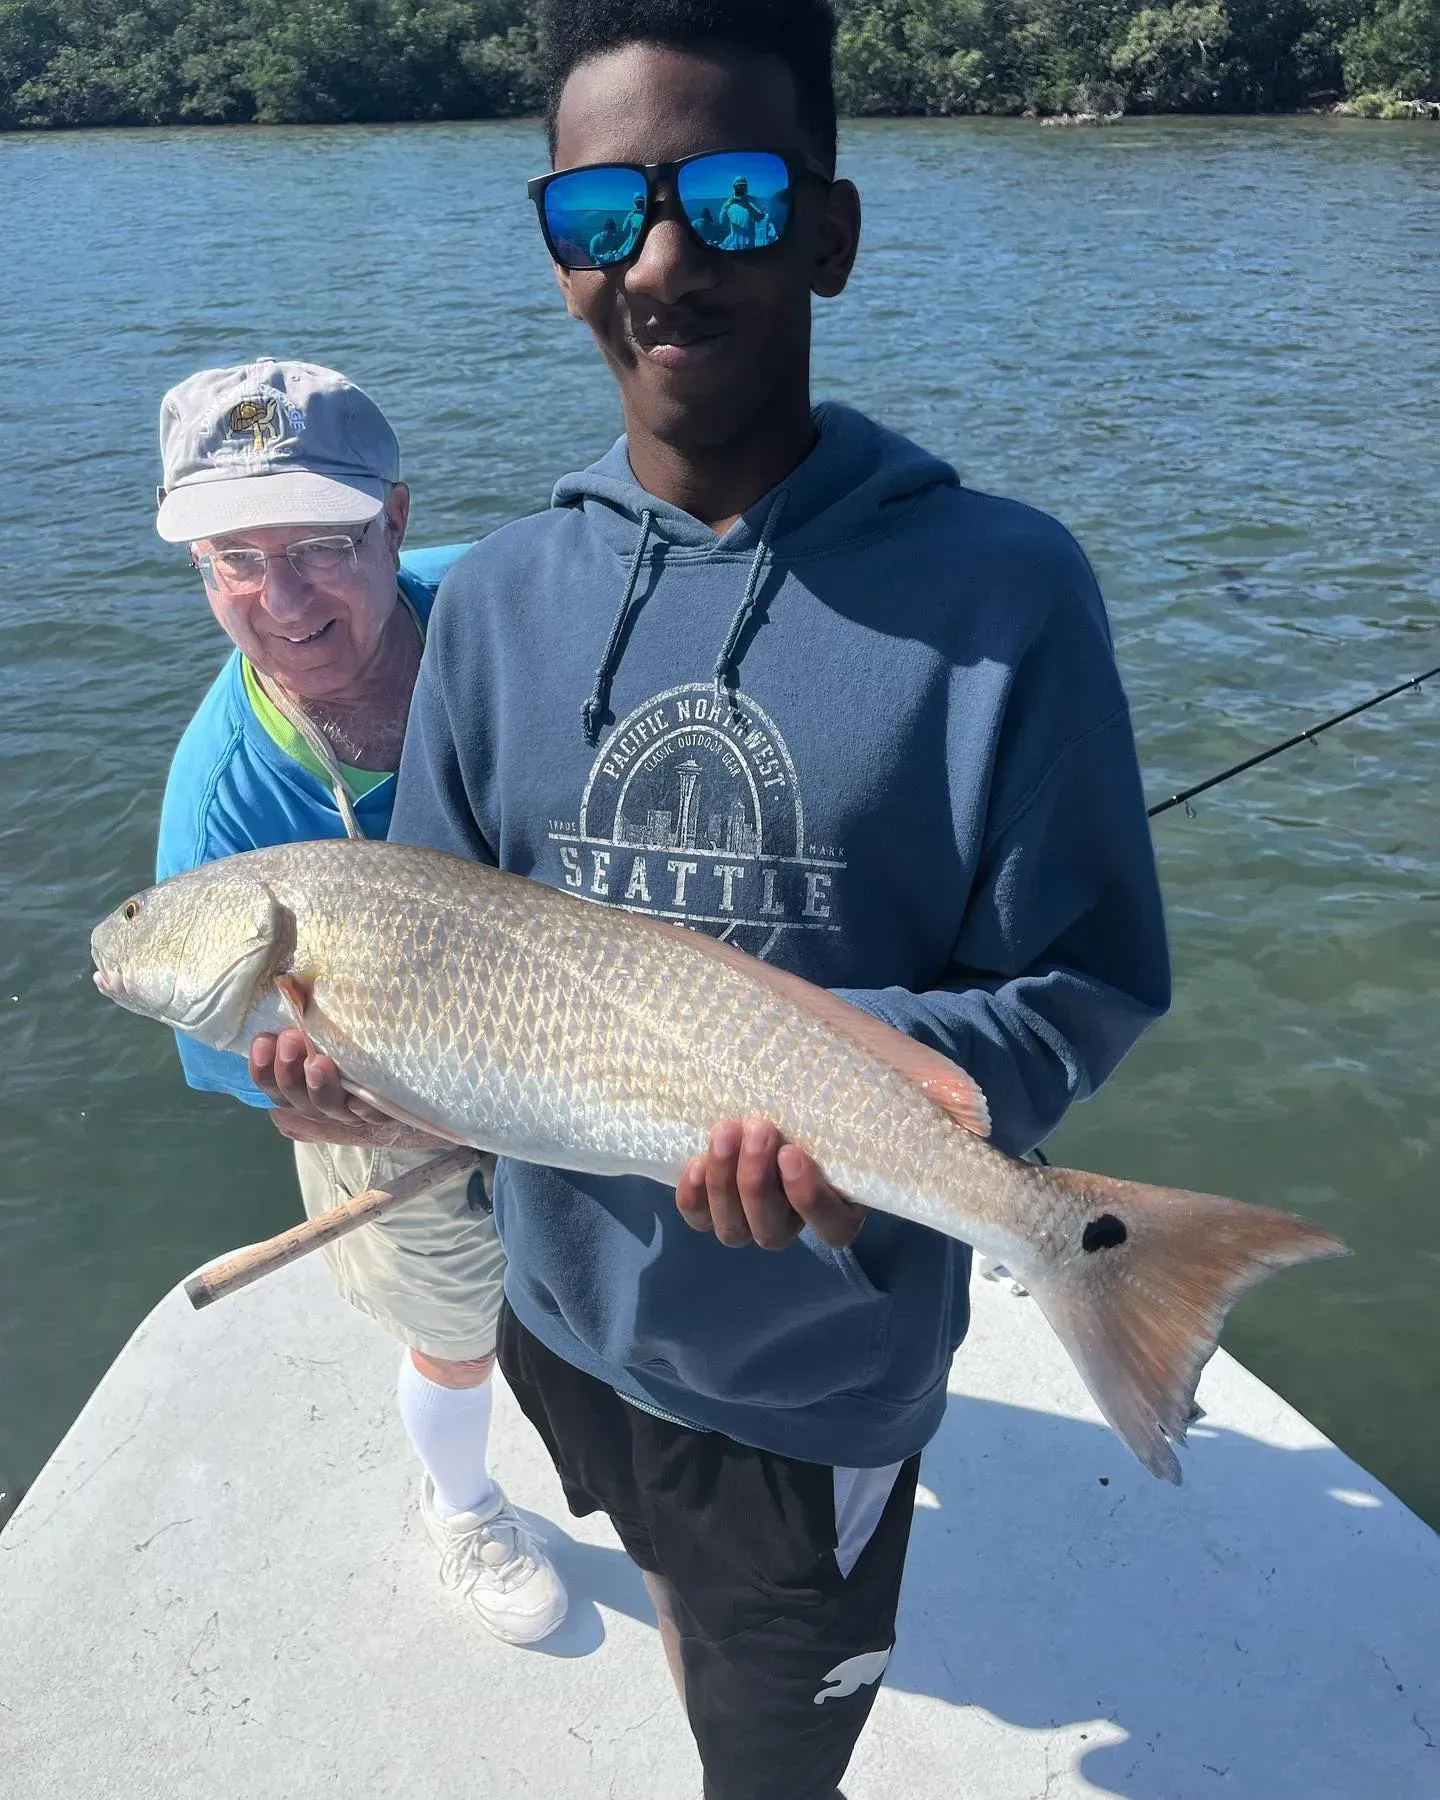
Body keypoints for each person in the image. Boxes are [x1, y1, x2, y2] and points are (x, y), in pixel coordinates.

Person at [258, 3, 1170, 1794]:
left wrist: (833, 1095)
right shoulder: (505, 599)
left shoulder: (1005, 592)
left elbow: (1079, 987)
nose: (662, 260)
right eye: (603, 216)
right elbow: (447, 957)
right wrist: (357, 1077)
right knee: (672, 1585)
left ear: (827, 227)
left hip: (812, 1366)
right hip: (566, 1314)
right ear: (558, 253)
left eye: (730, 198)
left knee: (763, 1750)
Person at [153, 359, 567, 1646]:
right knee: (453, 1323)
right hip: (391, 1107)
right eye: (234, 558)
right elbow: (241, 1069)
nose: (281, 600)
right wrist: (352, 1111)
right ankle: (463, 1505)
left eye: (321, 546)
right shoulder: (221, 807)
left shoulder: (512, 605)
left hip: (575, 1030)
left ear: (394, 518)